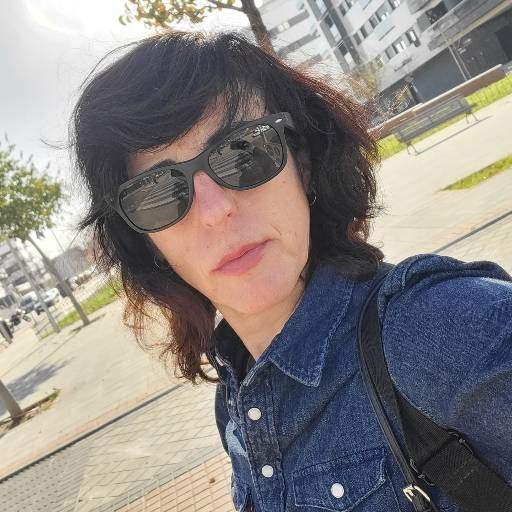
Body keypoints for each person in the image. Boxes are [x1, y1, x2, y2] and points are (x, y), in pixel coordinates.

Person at [71, 31, 512, 512]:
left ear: (302, 163)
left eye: (243, 153)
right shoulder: (236, 401)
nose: (215, 210)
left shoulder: (441, 329)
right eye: (160, 192)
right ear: (145, 240)